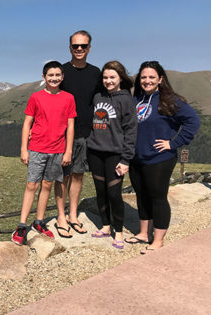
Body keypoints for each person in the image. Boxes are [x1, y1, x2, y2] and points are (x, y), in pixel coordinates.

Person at [126, 61, 200, 254]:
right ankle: (143, 233)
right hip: (137, 157)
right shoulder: (137, 99)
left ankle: (158, 240)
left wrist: (173, 143)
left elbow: (193, 121)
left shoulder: (170, 99)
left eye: (151, 77)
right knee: (141, 196)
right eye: (143, 77)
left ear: (160, 79)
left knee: (157, 198)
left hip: (159, 158)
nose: (147, 81)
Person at [11, 61, 76, 245]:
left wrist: (68, 150)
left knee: (47, 185)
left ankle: (38, 222)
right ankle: (22, 225)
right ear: (44, 77)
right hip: (37, 148)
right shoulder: (36, 97)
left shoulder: (68, 98)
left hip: (58, 149)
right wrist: (24, 148)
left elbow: (70, 126)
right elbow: (27, 123)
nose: (54, 78)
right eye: (50, 75)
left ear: (62, 77)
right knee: (32, 185)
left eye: (57, 75)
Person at [87, 61, 137, 249]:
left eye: (112, 77)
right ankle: (106, 226)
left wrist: (126, 159)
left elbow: (131, 131)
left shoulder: (126, 100)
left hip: (115, 155)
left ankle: (119, 232)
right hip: (95, 152)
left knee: (114, 194)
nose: (108, 81)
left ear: (120, 78)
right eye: (105, 77)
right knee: (100, 192)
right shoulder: (98, 96)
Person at [60, 30, 101, 235]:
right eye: (75, 46)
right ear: (69, 47)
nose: (79, 49)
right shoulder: (61, 71)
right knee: (62, 176)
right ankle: (61, 216)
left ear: (89, 48)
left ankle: (73, 214)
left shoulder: (96, 73)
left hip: (85, 133)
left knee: (77, 175)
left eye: (83, 46)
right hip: (61, 133)